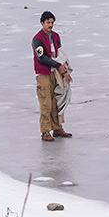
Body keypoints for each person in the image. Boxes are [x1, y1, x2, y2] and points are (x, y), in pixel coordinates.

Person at [33, 11, 73, 141]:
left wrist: (64, 70)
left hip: (55, 73)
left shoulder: (56, 37)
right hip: (43, 74)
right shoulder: (37, 39)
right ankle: (45, 131)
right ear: (42, 23)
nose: (50, 25)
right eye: (48, 22)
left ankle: (57, 128)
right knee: (46, 103)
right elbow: (41, 57)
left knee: (56, 101)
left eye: (52, 22)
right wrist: (57, 65)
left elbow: (60, 54)